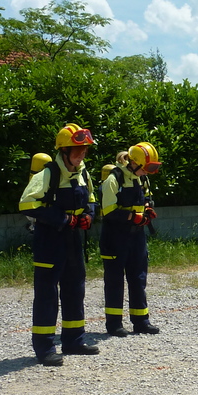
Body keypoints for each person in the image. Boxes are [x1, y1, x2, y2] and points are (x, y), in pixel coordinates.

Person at [18, 123, 99, 365]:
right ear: (64, 150)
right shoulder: (48, 174)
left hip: (72, 239)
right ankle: (45, 348)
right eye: (78, 150)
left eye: (85, 150)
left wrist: (89, 215)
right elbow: (27, 204)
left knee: (75, 289)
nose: (82, 154)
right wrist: (63, 219)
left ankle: (74, 341)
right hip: (49, 240)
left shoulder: (83, 173)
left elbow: (91, 198)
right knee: (47, 294)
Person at [99, 142, 161, 337]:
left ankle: (141, 321)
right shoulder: (114, 179)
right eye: (146, 167)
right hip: (115, 237)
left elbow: (147, 198)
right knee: (115, 280)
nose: (147, 172)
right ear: (134, 163)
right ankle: (114, 324)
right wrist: (132, 217)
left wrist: (148, 210)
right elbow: (108, 210)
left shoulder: (141, 178)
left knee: (138, 278)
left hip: (136, 236)